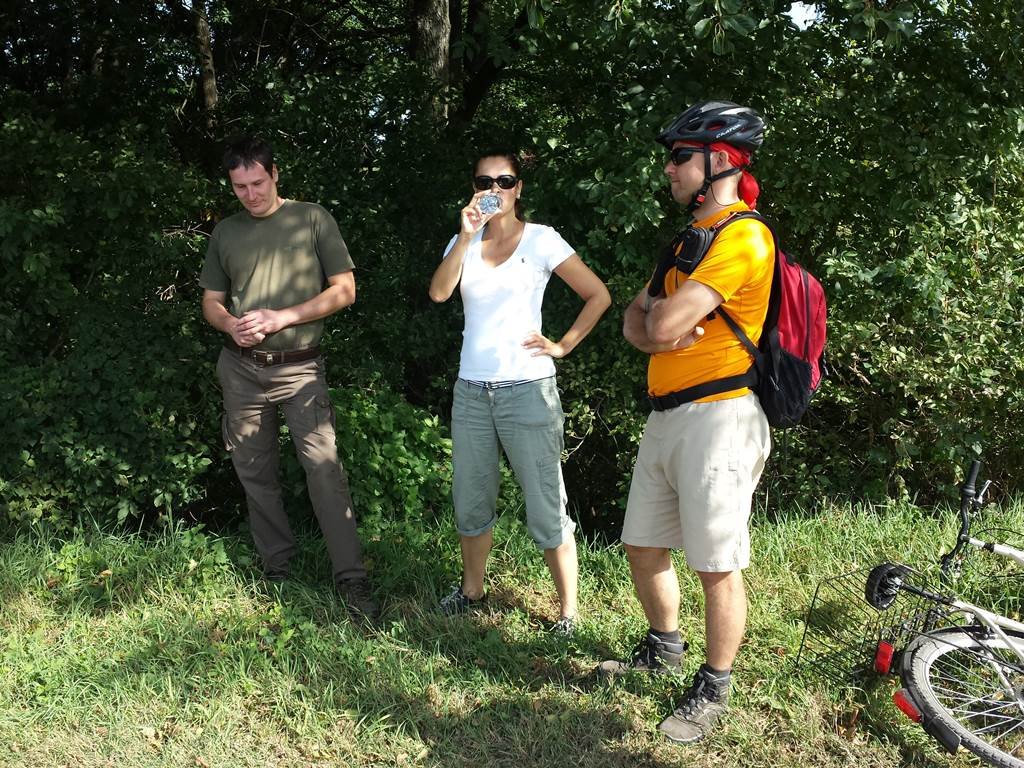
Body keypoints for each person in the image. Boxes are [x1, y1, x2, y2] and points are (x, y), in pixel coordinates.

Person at [598, 101, 774, 743]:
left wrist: (657, 324)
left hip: (721, 416)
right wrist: (655, 327)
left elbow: (660, 322)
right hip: (669, 414)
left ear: (719, 161)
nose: (667, 169)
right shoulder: (685, 242)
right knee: (642, 545)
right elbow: (632, 323)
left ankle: (714, 687)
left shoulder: (744, 237)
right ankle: (663, 646)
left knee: (715, 562)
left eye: (679, 156)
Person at [428, 150, 611, 635]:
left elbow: (599, 295)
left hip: (528, 391)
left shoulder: (542, 239)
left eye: (504, 181)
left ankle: (568, 611)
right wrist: (465, 236)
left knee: (545, 501)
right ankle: (471, 591)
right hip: (472, 393)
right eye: (484, 180)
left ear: (519, 188)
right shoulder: (463, 238)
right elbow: (439, 294)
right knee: (470, 499)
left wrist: (564, 345)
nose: (494, 189)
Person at [199, 135, 377, 620]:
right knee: (254, 472)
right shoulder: (226, 233)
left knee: (323, 469)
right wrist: (229, 323)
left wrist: (282, 318)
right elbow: (211, 301)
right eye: (240, 187)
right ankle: (278, 569)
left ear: (276, 174)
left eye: (258, 182)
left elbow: (345, 291)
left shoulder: (312, 218)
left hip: (299, 367)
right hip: (240, 368)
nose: (251, 194)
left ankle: (352, 580)